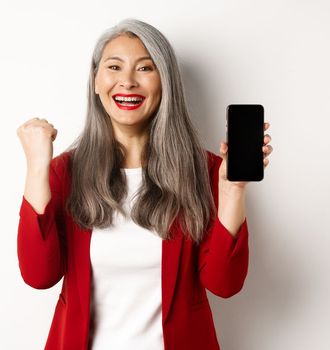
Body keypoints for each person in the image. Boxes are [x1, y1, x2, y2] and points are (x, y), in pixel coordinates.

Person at [16, 18, 273, 349]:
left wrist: (233, 190)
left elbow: (224, 283)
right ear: (96, 81)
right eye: (114, 67)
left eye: (145, 69)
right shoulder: (65, 172)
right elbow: (40, 276)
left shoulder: (206, 171)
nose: (127, 82)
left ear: (165, 83)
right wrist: (37, 167)